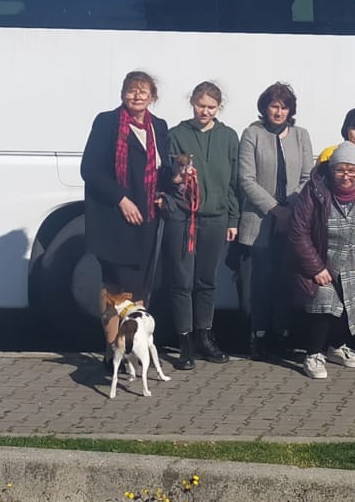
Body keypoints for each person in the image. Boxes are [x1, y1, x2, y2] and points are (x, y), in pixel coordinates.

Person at [82, 71, 172, 371]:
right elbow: (90, 169)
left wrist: (168, 188)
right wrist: (121, 199)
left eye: (143, 91)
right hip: (115, 219)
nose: (137, 96)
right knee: (116, 286)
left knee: (140, 288)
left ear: (152, 97)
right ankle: (112, 351)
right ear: (123, 94)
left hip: (146, 220)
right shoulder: (107, 123)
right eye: (131, 90)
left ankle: (133, 348)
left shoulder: (159, 127)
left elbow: (161, 171)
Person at [288, 142, 355, 380]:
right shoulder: (314, 190)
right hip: (320, 259)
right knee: (325, 303)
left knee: (349, 306)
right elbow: (298, 232)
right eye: (340, 170)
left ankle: (336, 347)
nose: (346, 176)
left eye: (352, 170)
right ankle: (313, 354)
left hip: (351, 261)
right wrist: (316, 268)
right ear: (331, 169)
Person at [163, 81, 239, 369]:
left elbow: (233, 182)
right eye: (200, 105)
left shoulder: (229, 137)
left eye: (211, 107)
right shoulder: (176, 135)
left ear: (219, 108)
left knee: (207, 281)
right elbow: (165, 176)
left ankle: (204, 337)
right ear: (192, 103)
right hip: (183, 218)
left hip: (216, 218)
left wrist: (233, 218)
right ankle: (184, 342)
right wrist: (177, 178)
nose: (205, 111)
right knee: (182, 281)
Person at [237, 82, 313, 359]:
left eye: (284, 107)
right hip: (260, 221)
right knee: (260, 282)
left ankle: (281, 335)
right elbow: (246, 179)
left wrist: (289, 210)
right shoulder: (252, 134)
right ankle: (258, 336)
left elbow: (307, 178)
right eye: (274, 106)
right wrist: (275, 210)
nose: (278, 112)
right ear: (265, 108)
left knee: (285, 280)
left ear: (290, 110)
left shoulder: (301, 136)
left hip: (292, 220)